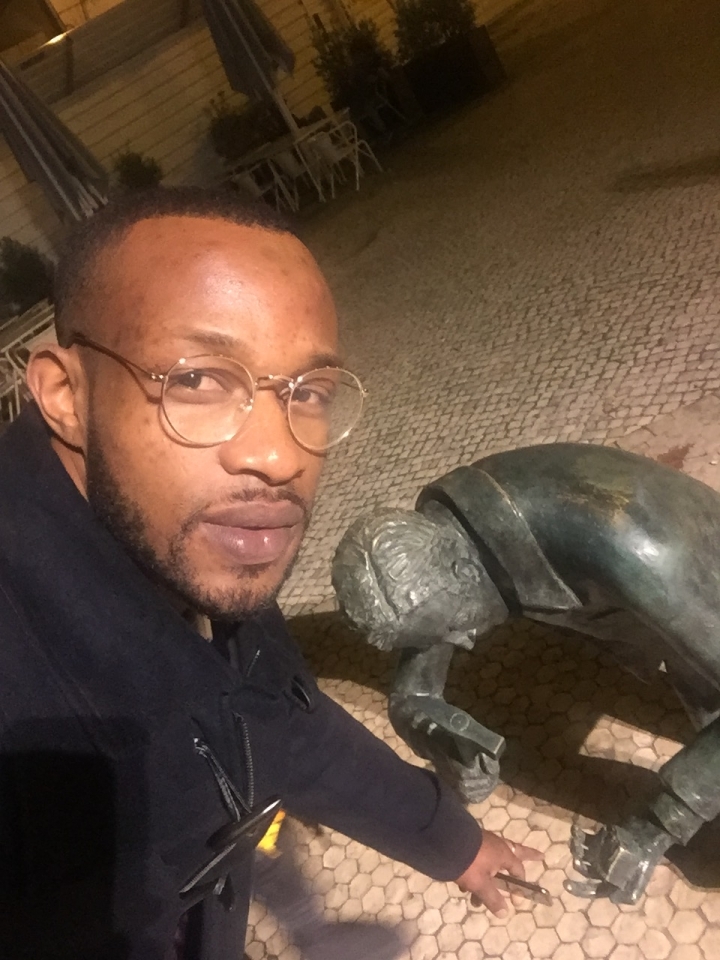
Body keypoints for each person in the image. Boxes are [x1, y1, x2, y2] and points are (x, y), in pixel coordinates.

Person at [0, 187, 540, 960]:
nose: (280, 455)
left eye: (308, 392)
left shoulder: (185, 537)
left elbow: (279, 716)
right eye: (197, 379)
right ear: (65, 393)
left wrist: (450, 841)